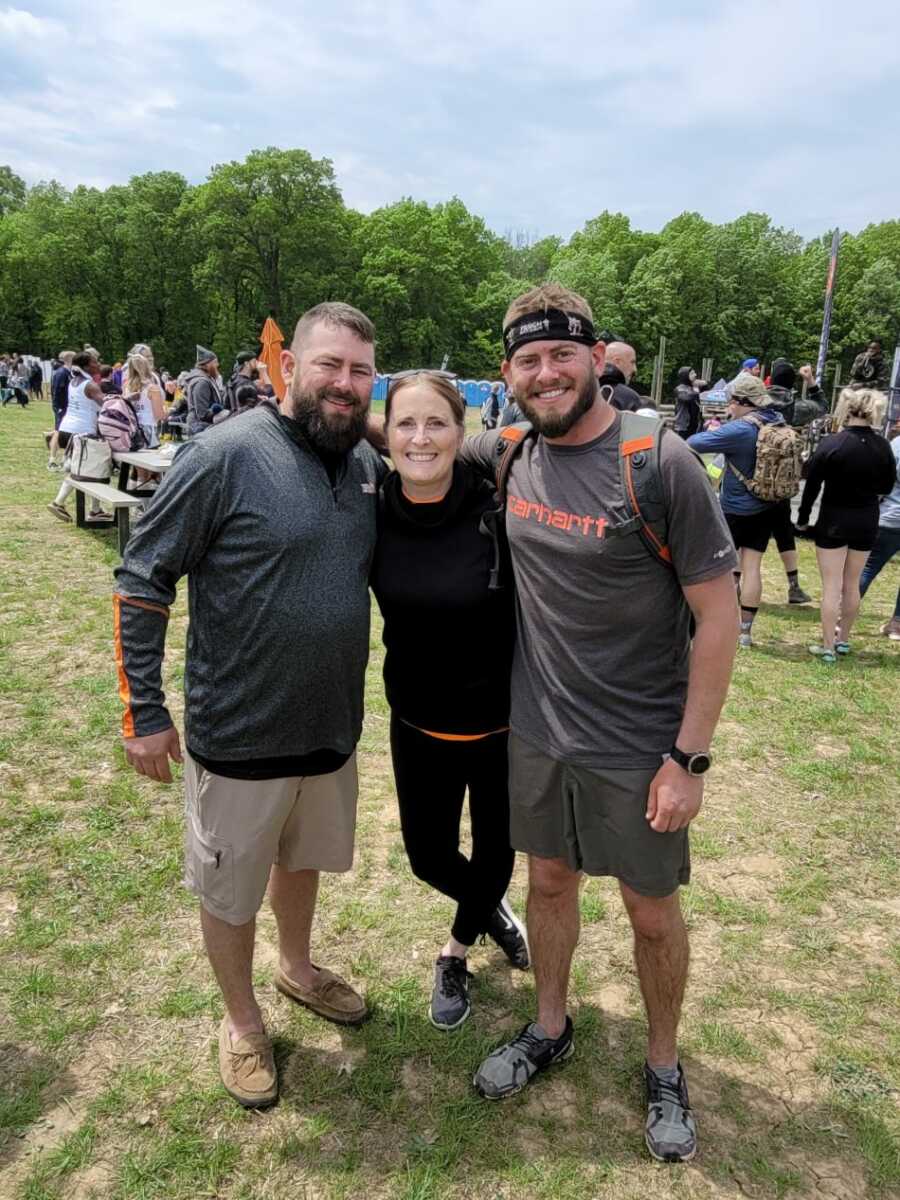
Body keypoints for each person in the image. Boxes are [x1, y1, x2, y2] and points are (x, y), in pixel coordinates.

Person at [456, 284, 738, 1164]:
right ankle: (550, 1025)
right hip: (538, 732)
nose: (546, 374)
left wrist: (688, 758)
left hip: (640, 745)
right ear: (507, 374)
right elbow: (411, 446)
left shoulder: (660, 460)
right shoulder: (504, 454)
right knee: (547, 884)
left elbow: (720, 616)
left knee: (650, 915)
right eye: (528, 360)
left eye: (561, 355)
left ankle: (662, 1064)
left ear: (593, 357)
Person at [114, 302, 386, 1110]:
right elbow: (141, 577)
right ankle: (240, 1021)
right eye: (330, 365)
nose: (345, 384)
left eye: (361, 371)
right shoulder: (224, 454)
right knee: (230, 888)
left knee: (301, 861)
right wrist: (145, 712)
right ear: (290, 366)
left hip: (330, 728)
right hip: (239, 732)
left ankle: (297, 967)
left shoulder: (366, 466)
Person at [371, 370, 527, 1032]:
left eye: (436, 422)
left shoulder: (498, 503)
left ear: (462, 432)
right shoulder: (371, 506)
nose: (420, 437)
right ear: (387, 432)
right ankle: (489, 907)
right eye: (405, 422)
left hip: (503, 723)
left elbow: (538, 443)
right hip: (417, 717)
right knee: (427, 856)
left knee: (495, 851)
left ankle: (455, 951)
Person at [688, 374, 797, 647]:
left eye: (732, 402)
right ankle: (745, 632)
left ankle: (711, 620)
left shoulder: (739, 430)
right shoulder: (776, 421)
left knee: (716, 567)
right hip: (768, 506)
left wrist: (715, 432)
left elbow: (692, 443)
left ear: (742, 402)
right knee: (753, 567)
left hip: (735, 511)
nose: (730, 408)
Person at [796, 389, 896, 662]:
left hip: (834, 520)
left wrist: (804, 518)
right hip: (867, 519)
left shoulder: (832, 443)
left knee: (831, 585)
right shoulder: (883, 445)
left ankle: (827, 646)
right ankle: (843, 639)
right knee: (851, 584)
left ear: (846, 409)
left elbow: (812, 486)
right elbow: (887, 485)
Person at [46, 352, 109, 522]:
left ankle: (95, 510)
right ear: (87, 366)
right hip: (82, 431)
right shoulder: (90, 385)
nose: (98, 364)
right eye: (95, 362)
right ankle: (59, 502)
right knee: (92, 468)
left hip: (67, 428)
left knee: (85, 469)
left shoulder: (74, 381)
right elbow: (105, 405)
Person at [858, 415, 900, 640]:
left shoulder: (896, 445)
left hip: (891, 517)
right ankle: (897, 625)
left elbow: (883, 482)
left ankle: (842, 619)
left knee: (867, 569)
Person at [185, 346, 225, 436]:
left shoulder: (207, 379)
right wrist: (221, 413)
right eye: (215, 362)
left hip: (202, 427)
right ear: (207, 364)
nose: (217, 365)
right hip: (199, 428)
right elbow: (202, 414)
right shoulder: (202, 382)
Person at [47, 352, 75, 469]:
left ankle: (65, 458)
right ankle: (52, 460)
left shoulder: (69, 373)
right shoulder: (61, 373)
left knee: (66, 432)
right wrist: (58, 407)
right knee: (58, 432)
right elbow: (56, 391)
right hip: (61, 407)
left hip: (67, 407)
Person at [598, 341, 641, 412]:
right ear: (617, 362)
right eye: (632, 362)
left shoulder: (583, 388)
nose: (635, 369)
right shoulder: (629, 397)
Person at [672, 367, 704, 439]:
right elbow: (687, 398)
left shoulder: (693, 388)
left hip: (694, 424)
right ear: (685, 375)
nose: (695, 375)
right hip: (683, 426)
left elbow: (705, 396)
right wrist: (696, 389)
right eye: (692, 373)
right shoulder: (679, 388)